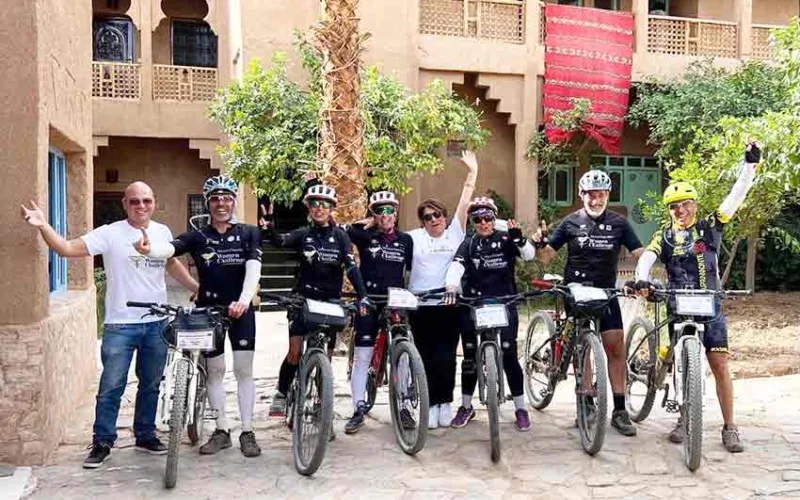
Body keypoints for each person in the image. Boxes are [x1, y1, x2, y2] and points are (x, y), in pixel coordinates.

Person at [20, 182, 199, 469]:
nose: (141, 206)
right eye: (135, 202)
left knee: (151, 384)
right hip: (120, 325)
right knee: (111, 387)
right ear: (124, 204)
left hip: (156, 322)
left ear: (154, 202)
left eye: (147, 201)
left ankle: (145, 434)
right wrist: (43, 225)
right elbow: (66, 249)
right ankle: (103, 441)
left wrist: (195, 288)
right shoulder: (110, 233)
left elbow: (171, 263)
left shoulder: (162, 232)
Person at [633, 143, 761, 453]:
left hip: (710, 304)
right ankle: (683, 418)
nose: (680, 210)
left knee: (719, 364)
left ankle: (730, 427)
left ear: (695, 204)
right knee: (680, 363)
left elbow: (736, 197)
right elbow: (648, 257)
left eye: (685, 204)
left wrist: (750, 166)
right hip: (677, 303)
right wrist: (641, 278)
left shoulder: (710, 227)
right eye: (674, 206)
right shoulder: (663, 236)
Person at [134, 176, 263, 458]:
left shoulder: (249, 233)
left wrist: (243, 301)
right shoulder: (199, 236)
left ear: (233, 202)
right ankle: (221, 430)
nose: (222, 203)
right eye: (216, 198)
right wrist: (149, 249)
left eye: (227, 198)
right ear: (209, 203)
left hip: (241, 312)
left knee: (244, 371)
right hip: (209, 312)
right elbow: (171, 249)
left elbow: (254, 268)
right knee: (215, 371)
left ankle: (248, 431)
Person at [532, 170, 644, 436]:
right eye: (591, 195)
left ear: (608, 195)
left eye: (601, 194)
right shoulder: (570, 222)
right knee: (583, 346)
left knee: (616, 347)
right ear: (581, 195)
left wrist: (648, 270)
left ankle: (619, 410)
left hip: (606, 292)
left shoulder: (620, 223)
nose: (596, 200)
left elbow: (639, 252)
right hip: (577, 292)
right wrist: (540, 243)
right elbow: (547, 256)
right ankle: (586, 402)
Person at [264, 180, 371, 435]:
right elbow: (280, 242)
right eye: (315, 204)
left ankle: (322, 411)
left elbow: (352, 268)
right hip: (302, 300)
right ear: (308, 208)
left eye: (325, 205)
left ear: (332, 208)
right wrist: (269, 227)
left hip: (330, 303)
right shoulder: (303, 234)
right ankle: (282, 392)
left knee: (327, 357)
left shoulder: (341, 237)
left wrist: (363, 296)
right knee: (294, 352)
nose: (320, 209)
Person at [443, 197, 536, 431]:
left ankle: (520, 408)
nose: (483, 223)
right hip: (474, 303)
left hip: (504, 302)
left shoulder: (505, 238)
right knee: (470, 357)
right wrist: (451, 287)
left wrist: (520, 239)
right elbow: (456, 266)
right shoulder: (469, 243)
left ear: (494, 219)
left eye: (488, 218)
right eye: (478, 219)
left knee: (509, 354)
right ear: (473, 221)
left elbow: (529, 256)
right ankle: (465, 406)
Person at [407, 150, 478, 429]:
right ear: (421, 221)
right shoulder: (413, 238)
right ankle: (430, 403)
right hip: (421, 305)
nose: (434, 219)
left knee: (446, 356)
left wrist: (472, 172)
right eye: (427, 217)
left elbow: (466, 200)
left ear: (445, 216)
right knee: (425, 356)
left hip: (449, 303)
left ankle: (445, 403)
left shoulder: (455, 233)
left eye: (437, 215)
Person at [341, 190, 415, 434]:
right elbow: (341, 228)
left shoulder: (406, 240)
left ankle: (404, 406)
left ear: (396, 212)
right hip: (369, 300)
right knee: (363, 355)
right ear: (373, 214)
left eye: (389, 209)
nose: (385, 215)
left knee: (403, 354)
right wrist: (367, 222)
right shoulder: (365, 236)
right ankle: (358, 408)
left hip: (395, 300)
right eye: (379, 210)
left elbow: (411, 271)